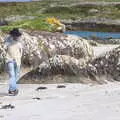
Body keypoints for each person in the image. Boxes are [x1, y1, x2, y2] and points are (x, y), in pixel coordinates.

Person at [4, 28, 23, 96]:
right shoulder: (8, 42)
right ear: (12, 35)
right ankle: (13, 89)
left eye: (16, 35)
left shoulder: (19, 42)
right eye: (14, 35)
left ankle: (11, 89)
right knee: (12, 75)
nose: (16, 36)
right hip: (10, 60)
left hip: (17, 61)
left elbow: (21, 51)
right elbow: (4, 48)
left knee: (15, 76)